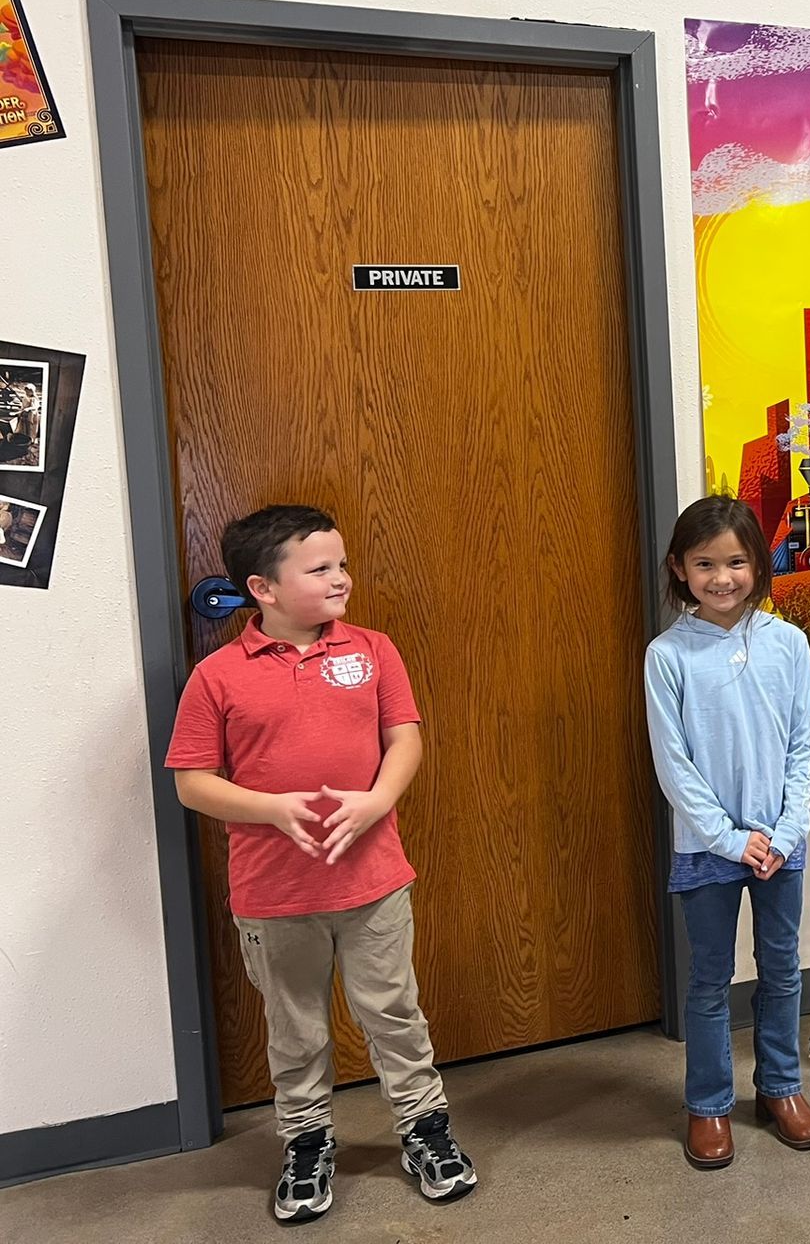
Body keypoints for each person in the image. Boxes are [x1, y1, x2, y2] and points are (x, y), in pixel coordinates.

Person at [166, 505, 476, 1224]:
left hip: (373, 884)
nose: (342, 578)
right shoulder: (217, 677)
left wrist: (376, 803)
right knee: (296, 1028)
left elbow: (405, 740)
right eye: (321, 568)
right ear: (263, 589)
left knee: (395, 1014)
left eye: (341, 563)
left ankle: (424, 1130)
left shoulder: (373, 649)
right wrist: (274, 809)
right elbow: (192, 781)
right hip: (274, 896)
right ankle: (306, 1141)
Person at [646, 496, 810, 1169]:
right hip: (707, 846)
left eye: (737, 562)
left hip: (779, 844)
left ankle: (780, 1088)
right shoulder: (668, 656)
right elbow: (674, 763)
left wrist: (782, 832)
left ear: (758, 564)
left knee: (782, 968)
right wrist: (726, 837)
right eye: (705, 564)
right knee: (710, 980)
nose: (722, 577)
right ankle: (708, 1104)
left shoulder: (787, 643)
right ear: (681, 569)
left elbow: (803, 746)